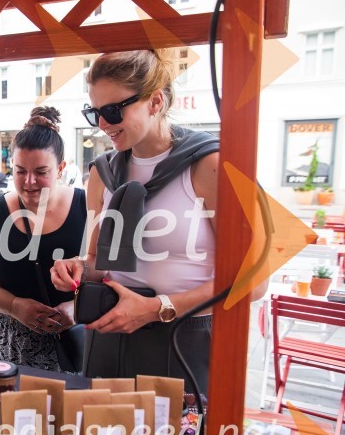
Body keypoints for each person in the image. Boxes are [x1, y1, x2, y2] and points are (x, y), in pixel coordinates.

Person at [50, 49, 228, 393]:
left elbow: (252, 280)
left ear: (155, 102)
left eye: (112, 111)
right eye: (94, 113)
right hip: (110, 334)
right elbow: (98, 262)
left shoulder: (209, 165)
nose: (102, 124)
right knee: (99, 427)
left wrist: (156, 309)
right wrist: (77, 268)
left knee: (175, 431)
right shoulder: (102, 173)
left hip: (183, 337)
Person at [0, 107, 87, 372]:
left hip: (75, 344)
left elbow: (110, 276)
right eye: (20, 171)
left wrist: (77, 308)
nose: (29, 182)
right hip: (6, 345)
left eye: (41, 172)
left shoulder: (87, 207)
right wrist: (13, 306)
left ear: (60, 168)